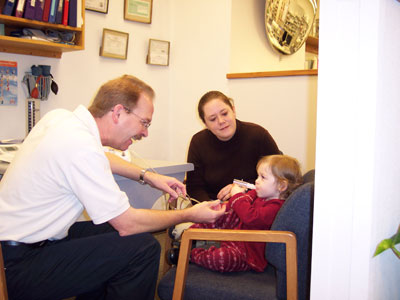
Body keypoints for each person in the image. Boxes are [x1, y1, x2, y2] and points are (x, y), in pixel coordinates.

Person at [0, 75, 225, 300]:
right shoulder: (79, 145)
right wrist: (189, 214)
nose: (145, 132)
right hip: (16, 266)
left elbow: (100, 156)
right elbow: (127, 223)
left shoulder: (62, 120)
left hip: (25, 245)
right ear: (118, 113)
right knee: (142, 250)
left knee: (112, 234)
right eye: (144, 123)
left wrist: (148, 176)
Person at [190, 154, 302, 273]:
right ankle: (192, 233)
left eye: (263, 177)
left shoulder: (276, 208)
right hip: (238, 237)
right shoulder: (263, 195)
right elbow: (248, 198)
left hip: (247, 254)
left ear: (281, 185)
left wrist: (238, 196)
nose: (256, 181)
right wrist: (241, 195)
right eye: (258, 176)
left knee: (223, 258)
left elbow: (250, 217)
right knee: (225, 210)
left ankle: (194, 255)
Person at [186, 90, 281, 203]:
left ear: (233, 110)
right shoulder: (198, 142)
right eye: (212, 119)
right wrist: (210, 207)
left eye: (225, 113)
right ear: (205, 124)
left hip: (253, 205)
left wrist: (241, 188)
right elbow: (194, 188)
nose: (221, 121)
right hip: (214, 206)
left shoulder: (258, 135)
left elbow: (279, 179)